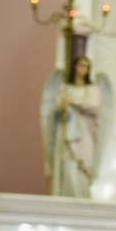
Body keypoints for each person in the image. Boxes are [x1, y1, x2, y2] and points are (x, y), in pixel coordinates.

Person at [42, 55, 106, 198]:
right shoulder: (65, 88)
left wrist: (74, 104)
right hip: (66, 130)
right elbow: (54, 111)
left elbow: (95, 109)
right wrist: (62, 106)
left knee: (80, 163)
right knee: (66, 161)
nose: (84, 69)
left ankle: (80, 195)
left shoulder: (92, 90)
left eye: (87, 66)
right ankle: (63, 193)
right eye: (81, 65)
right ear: (75, 67)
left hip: (84, 132)